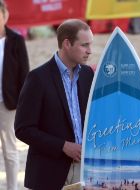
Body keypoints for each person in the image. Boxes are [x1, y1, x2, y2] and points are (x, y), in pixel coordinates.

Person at [14, 19, 94, 190]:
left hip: (85, 172)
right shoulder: (37, 78)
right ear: (67, 43)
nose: (90, 51)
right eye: (84, 45)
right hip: (48, 174)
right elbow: (23, 129)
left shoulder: (88, 74)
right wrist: (62, 146)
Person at [0, 1, 29, 190]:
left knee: (10, 150)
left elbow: (25, 74)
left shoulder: (16, 40)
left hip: (7, 104)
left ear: (5, 16)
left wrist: (23, 102)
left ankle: (12, 188)